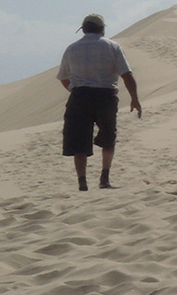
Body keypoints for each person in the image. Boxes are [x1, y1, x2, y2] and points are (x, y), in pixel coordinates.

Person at [57, 14, 142, 191]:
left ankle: (82, 181)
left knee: (79, 141)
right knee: (108, 137)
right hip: (106, 96)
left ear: (83, 29)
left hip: (80, 96)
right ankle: (105, 178)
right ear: (102, 29)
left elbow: (64, 78)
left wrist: (75, 90)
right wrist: (135, 99)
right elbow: (127, 75)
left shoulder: (72, 48)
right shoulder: (112, 46)